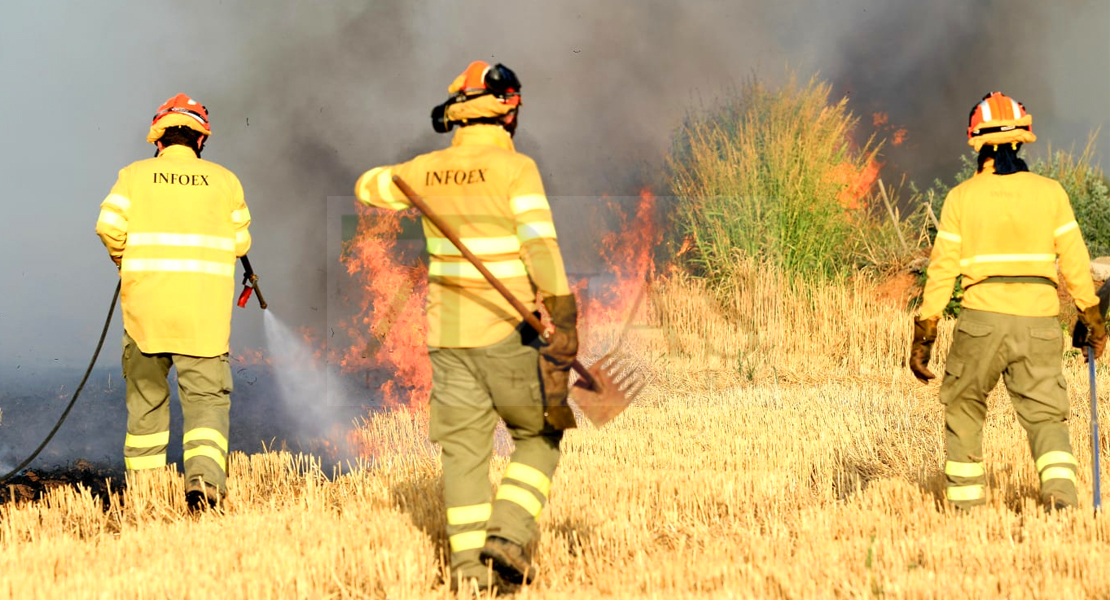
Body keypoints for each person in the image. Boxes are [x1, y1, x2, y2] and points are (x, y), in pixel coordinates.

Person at [354, 61, 578, 592]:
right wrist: (563, 315)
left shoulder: (422, 171)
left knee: (464, 457)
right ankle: (507, 533)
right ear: (508, 108)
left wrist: (402, 179)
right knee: (539, 434)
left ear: (457, 113)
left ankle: (468, 575)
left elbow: (368, 186)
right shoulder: (516, 169)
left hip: (447, 339)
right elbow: (540, 247)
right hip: (506, 331)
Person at [910, 91, 1106, 511]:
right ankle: (1062, 499)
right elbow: (1075, 262)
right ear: (1021, 140)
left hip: (981, 321)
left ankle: (966, 509)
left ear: (977, 143)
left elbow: (942, 271)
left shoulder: (961, 197)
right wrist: (1093, 317)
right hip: (1038, 322)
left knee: (963, 407)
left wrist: (925, 332)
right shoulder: (1050, 192)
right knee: (1047, 417)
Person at [95, 93, 252, 511]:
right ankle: (203, 485)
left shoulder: (134, 175)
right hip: (203, 318)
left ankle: (146, 498)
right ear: (200, 141)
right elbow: (241, 243)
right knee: (206, 404)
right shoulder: (225, 180)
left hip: (146, 313)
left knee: (146, 402)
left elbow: (107, 226)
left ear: (159, 138)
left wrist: (124, 260)